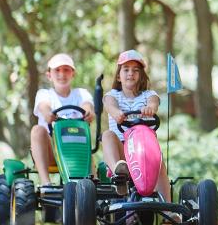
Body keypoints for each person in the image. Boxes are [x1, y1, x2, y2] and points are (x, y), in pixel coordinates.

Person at [101, 49, 172, 200]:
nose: (130, 73)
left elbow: (153, 103)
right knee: (107, 135)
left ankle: (167, 206)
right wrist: (116, 112)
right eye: (126, 69)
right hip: (123, 151)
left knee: (159, 160)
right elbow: (109, 105)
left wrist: (150, 108)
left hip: (144, 150)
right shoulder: (112, 95)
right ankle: (119, 174)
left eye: (135, 70)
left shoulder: (149, 95)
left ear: (141, 76)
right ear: (119, 76)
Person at [32, 53, 94, 187]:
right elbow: (44, 107)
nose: (62, 74)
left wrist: (88, 113)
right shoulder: (44, 94)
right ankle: (46, 183)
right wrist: (48, 114)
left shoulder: (81, 94)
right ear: (49, 75)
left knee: (85, 138)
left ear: (73, 73)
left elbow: (87, 106)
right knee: (37, 130)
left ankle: (91, 184)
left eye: (66, 70)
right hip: (52, 151)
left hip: (76, 151)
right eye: (57, 70)